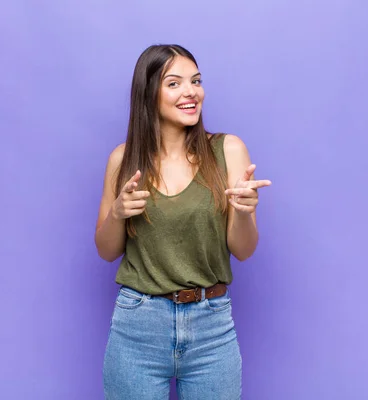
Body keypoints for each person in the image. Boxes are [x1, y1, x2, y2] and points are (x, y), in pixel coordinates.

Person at [95, 44, 271, 400]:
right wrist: (118, 213)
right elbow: (106, 250)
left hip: (212, 326)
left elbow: (245, 249)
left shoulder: (228, 150)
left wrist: (244, 211)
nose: (191, 92)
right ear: (149, 94)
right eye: (173, 83)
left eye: (196, 81)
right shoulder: (123, 159)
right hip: (138, 327)